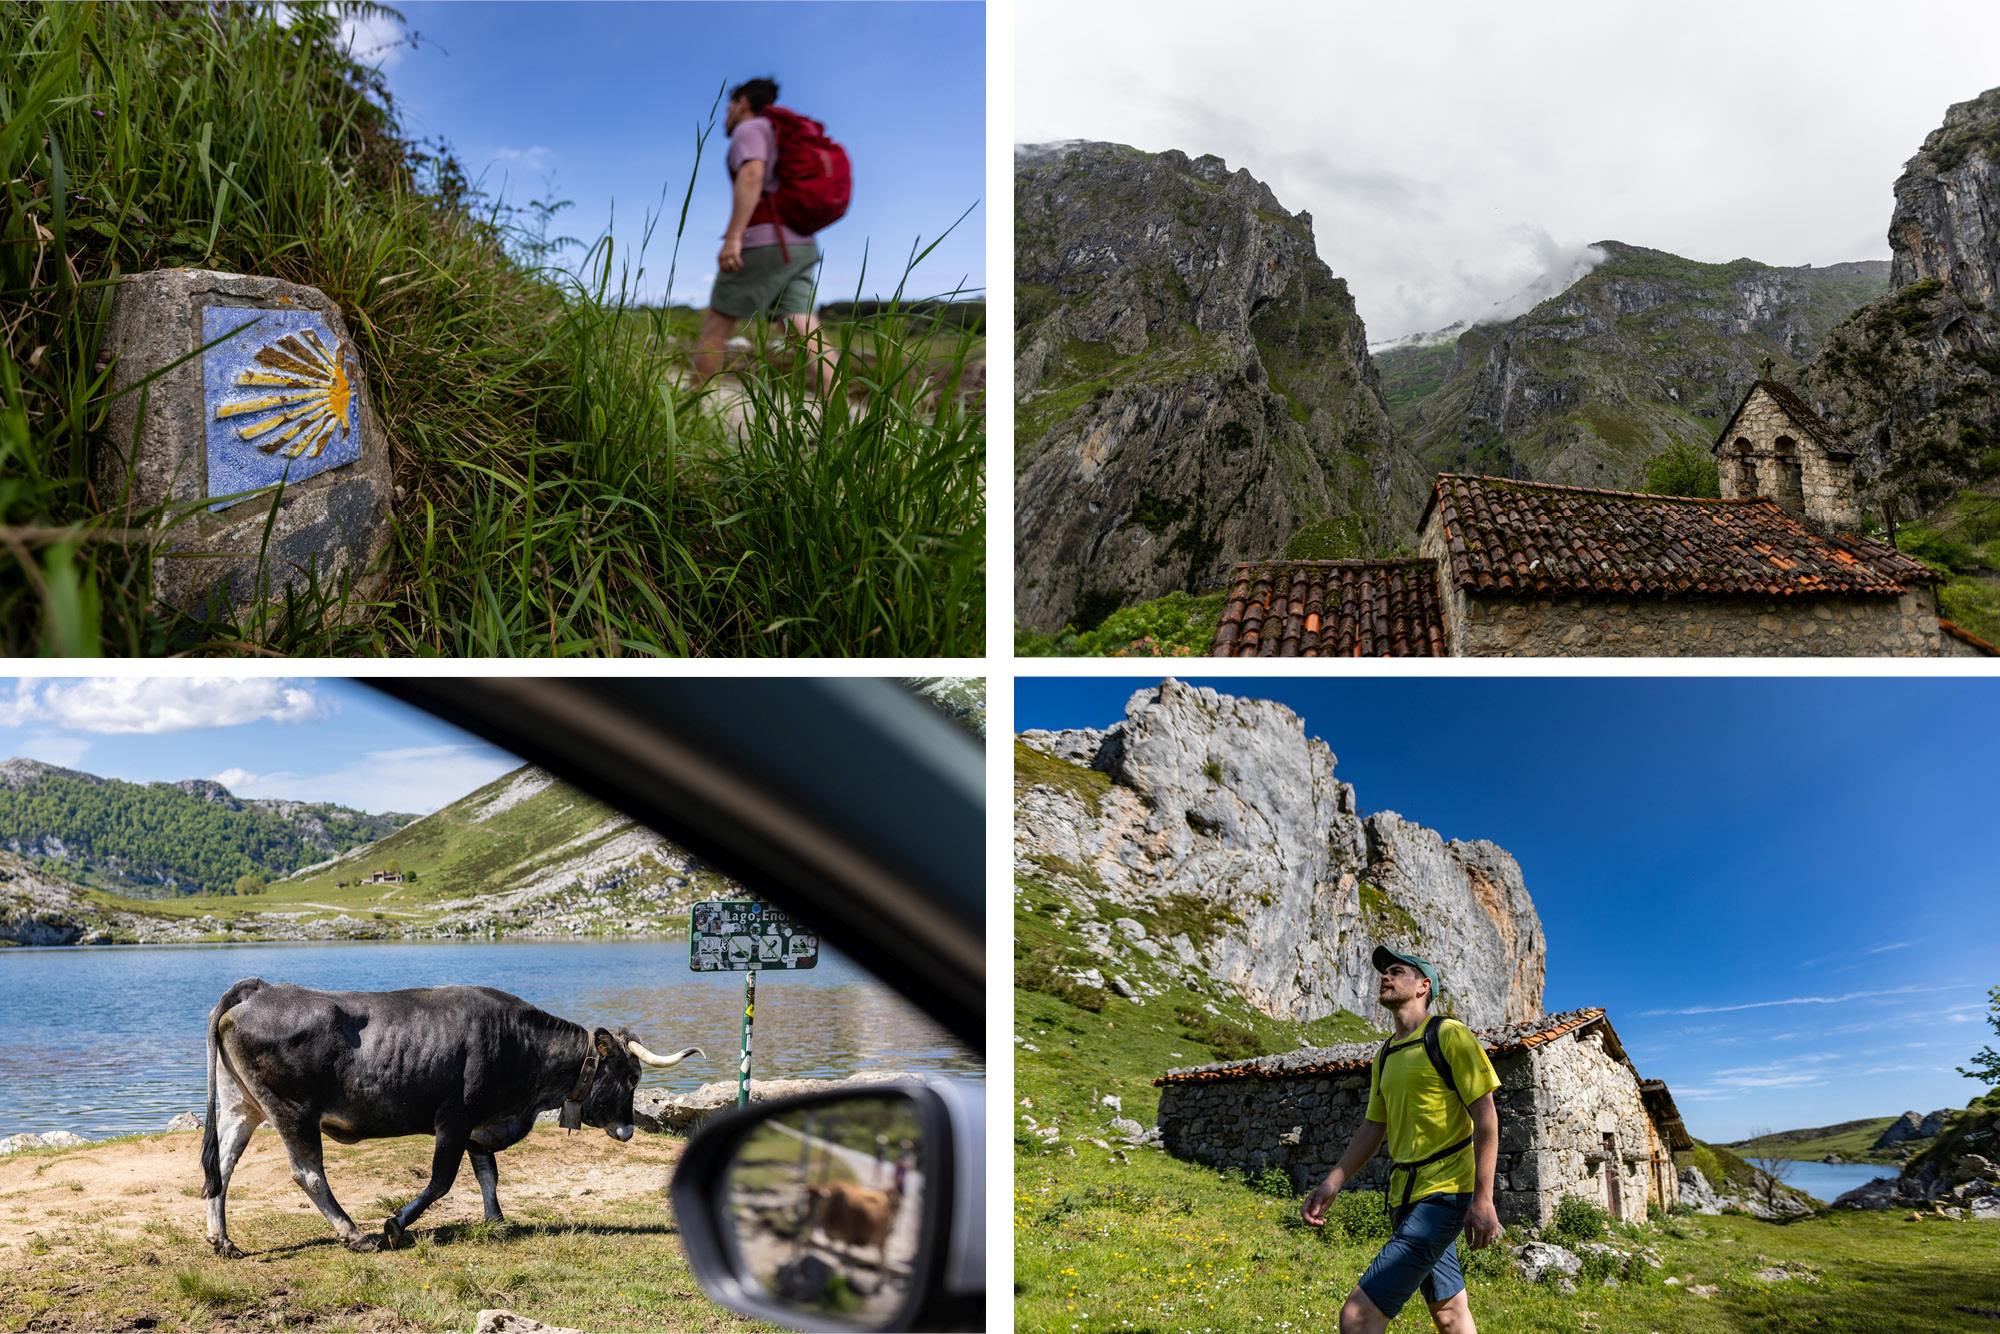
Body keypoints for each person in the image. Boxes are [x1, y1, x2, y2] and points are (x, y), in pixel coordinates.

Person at [1301, 946, 1504, 1333]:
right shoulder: (1385, 1054)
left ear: (1422, 986)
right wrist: (1333, 1182)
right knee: (1450, 1314)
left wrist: (1483, 1198)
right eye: (1384, 971)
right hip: (1403, 1198)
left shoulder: (1449, 1035)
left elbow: (1486, 1117)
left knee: (1357, 1318)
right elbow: (1373, 1127)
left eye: (1396, 971)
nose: (1385, 976)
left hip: (1443, 1197)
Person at [693, 77, 837, 396]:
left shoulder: (751, 128)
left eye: (729, 105)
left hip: (764, 242)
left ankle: (688, 415)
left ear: (743, 103)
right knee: (804, 330)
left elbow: (753, 173)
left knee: (716, 325)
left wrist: (733, 238)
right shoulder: (778, 133)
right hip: (800, 243)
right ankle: (840, 416)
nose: (727, 113)